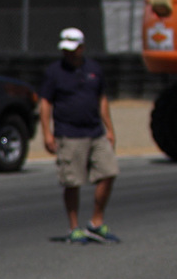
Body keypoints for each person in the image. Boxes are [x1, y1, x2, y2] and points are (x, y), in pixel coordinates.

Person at [39, 27, 119, 243]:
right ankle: (73, 227)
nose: (69, 53)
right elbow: (45, 103)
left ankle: (96, 222)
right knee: (72, 181)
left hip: (95, 131)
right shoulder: (54, 72)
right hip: (69, 134)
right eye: (66, 49)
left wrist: (109, 128)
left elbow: (102, 99)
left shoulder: (94, 69)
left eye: (73, 49)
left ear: (82, 48)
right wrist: (47, 133)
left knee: (109, 171)